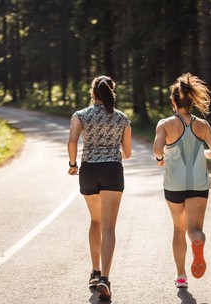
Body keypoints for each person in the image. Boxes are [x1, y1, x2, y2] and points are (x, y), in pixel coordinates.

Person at [153, 73, 211, 288]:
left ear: (173, 101)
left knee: (178, 229)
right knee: (194, 229)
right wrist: (202, 154)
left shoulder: (165, 124)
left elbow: (156, 149)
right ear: (192, 101)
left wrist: (161, 158)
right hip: (198, 185)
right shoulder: (202, 125)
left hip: (174, 186)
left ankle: (181, 277)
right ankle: (198, 241)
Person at [67, 75, 132, 300]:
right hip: (112, 171)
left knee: (95, 221)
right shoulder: (122, 118)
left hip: (89, 171)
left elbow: (72, 141)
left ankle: (94, 272)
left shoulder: (81, 115)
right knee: (109, 227)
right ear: (112, 92)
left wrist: (73, 164)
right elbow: (128, 153)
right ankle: (105, 277)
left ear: (92, 93)